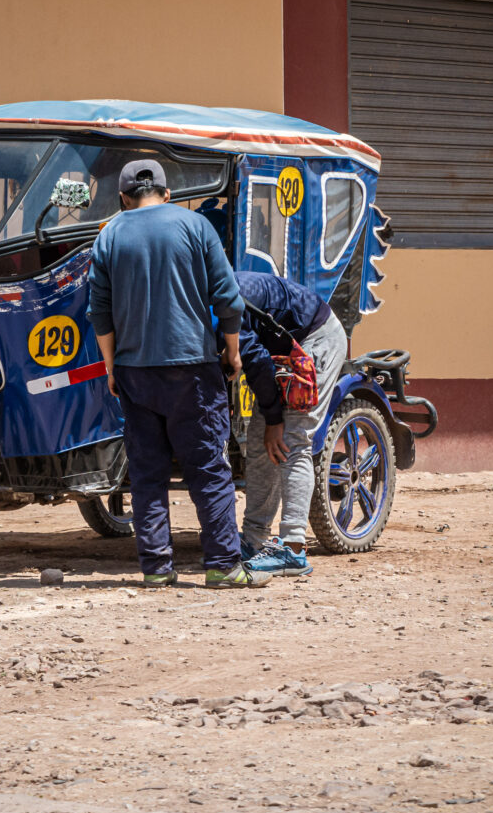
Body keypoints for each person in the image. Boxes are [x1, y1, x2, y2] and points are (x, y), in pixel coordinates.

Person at [87, 159, 268, 589]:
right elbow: (228, 299)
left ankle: (155, 569)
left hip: (134, 371)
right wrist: (233, 351)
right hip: (193, 369)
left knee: (147, 473)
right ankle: (223, 566)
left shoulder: (109, 234)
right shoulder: (195, 227)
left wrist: (112, 367)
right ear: (167, 194)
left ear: (125, 197)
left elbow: (100, 312)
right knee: (207, 466)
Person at [234, 270, 349, 577]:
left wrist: (275, 418)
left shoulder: (224, 300)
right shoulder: (197, 298)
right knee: (261, 443)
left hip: (315, 340)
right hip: (282, 349)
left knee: (292, 439)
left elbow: (255, 361)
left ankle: (293, 549)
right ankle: (254, 541)